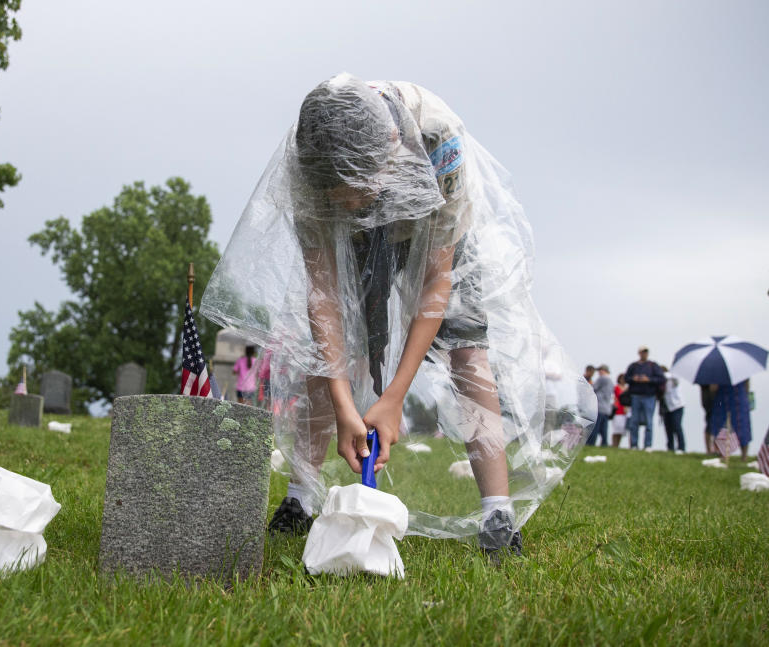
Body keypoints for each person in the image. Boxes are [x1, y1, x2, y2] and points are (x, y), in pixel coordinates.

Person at [200, 73, 594, 560]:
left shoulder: (438, 139)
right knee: (324, 356)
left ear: (389, 148)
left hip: (432, 231)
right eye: (339, 192)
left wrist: (392, 399)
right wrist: (347, 404)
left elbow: (436, 283)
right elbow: (325, 296)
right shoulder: (308, 161)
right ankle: (300, 497)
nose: (352, 200)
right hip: (351, 240)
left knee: (468, 348)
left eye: (359, 187)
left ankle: (498, 515)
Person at [625, 346, 665, 450]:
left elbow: (661, 379)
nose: (644, 354)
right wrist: (634, 379)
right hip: (635, 396)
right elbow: (626, 378)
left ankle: (648, 445)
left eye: (646, 352)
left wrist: (649, 379)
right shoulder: (633, 366)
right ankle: (634, 444)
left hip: (649, 397)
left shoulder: (653, 365)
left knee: (649, 422)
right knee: (634, 421)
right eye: (642, 352)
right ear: (639, 353)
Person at [708, 380, 752, 462]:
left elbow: (712, 389)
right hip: (730, 400)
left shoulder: (719, 370)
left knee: (741, 427)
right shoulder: (719, 370)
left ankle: (741, 456)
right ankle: (727, 454)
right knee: (724, 426)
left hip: (734, 400)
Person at [658, 365, 685, 453]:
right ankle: (670, 447)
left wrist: (664, 375)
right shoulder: (660, 383)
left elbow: (675, 378)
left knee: (677, 426)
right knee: (668, 428)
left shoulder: (672, 379)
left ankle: (681, 447)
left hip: (677, 406)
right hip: (666, 407)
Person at [587, 364, 613, 446]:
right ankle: (604, 443)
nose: (598, 373)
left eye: (600, 370)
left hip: (599, 406)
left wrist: (590, 384)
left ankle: (591, 443)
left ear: (603, 370)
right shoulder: (610, 381)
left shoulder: (602, 378)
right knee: (604, 428)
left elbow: (593, 388)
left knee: (595, 427)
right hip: (606, 408)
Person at [611, 373, 630, 447]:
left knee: (621, 430)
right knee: (617, 430)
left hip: (625, 411)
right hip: (618, 410)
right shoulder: (616, 387)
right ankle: (614, 445)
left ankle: (617, 445)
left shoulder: (627, 388)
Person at [700, 384, 718, 454]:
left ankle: (716, 448)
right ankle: (709, 450)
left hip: (716, 397)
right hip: (709, 399)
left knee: (717, 425)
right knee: (710, 424)